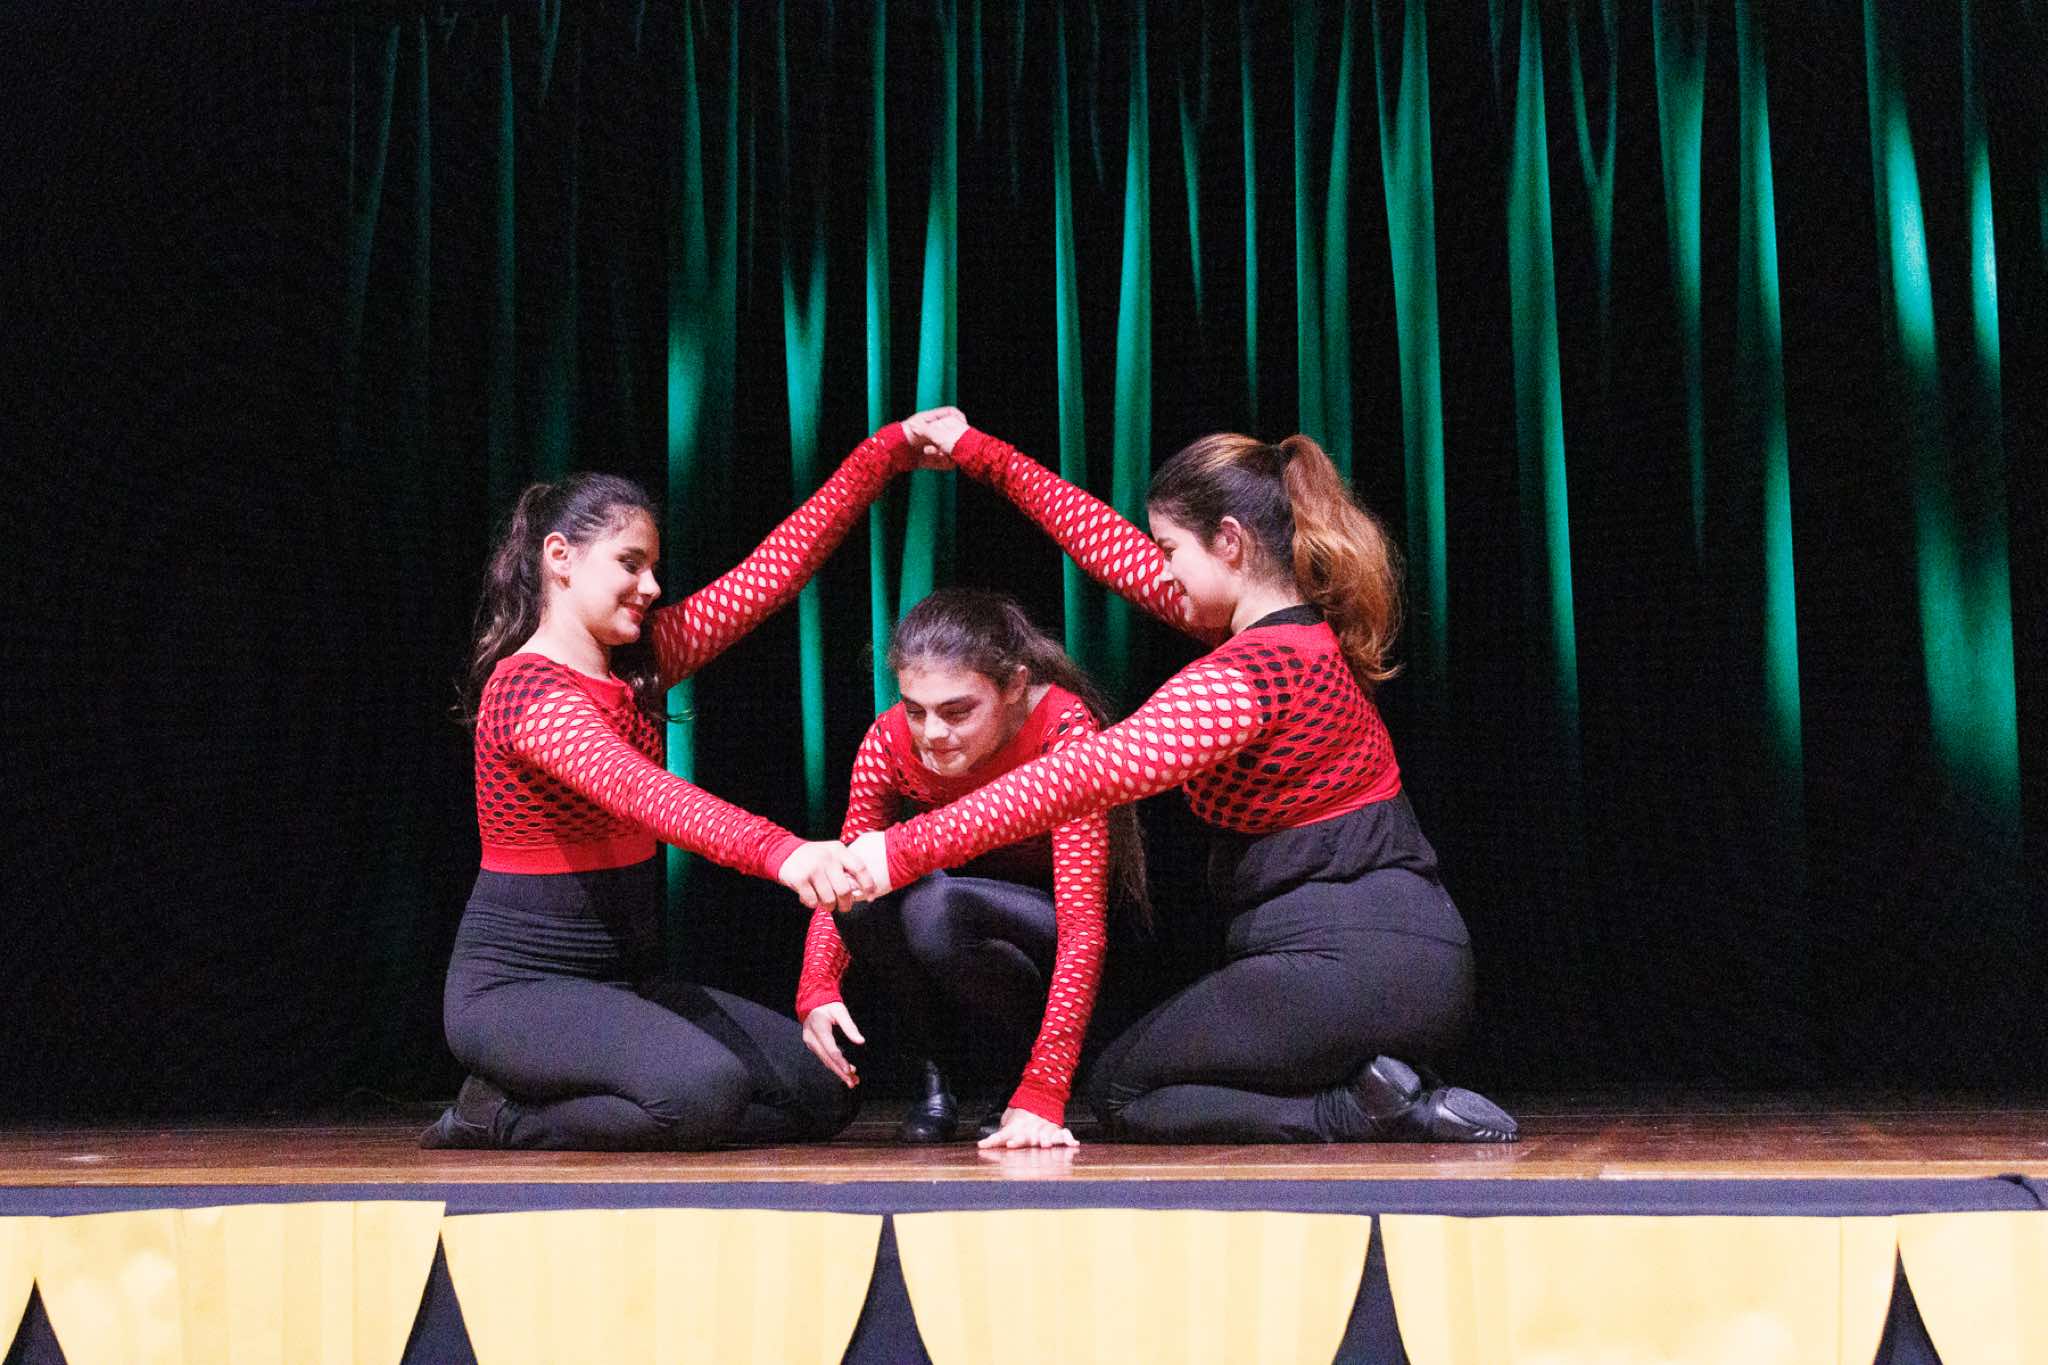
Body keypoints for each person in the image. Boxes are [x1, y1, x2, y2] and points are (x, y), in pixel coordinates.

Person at [846, 410, 1517, 1144]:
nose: (1158, 567)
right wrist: (981, 452)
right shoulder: (1295, 627)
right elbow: (1107, 547)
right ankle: (1375, 1090)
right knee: (1147, 1078)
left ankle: (1362, 1110)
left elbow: (1082, 776)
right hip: (1400, 956)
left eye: (1170, 548)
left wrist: (899, 850)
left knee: (1122, 1089)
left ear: (1230, 541)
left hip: (1355, 965)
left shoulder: (1248, 677)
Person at [421, 421, 927, 1150]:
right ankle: (496, 1114)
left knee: (826, 1088)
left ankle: (661, 1090)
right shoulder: (525, 691)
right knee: (703, 1092)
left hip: (623, 983)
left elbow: (772, 576)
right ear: (560, 558)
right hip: (517, 992)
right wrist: (784, 852)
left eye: (655, 567)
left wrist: (883, 454)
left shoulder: (640, 662)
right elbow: (644, 793)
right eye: (630, 564)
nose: (652, 586)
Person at [795, 589, 1148, 1149]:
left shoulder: (1062, 728)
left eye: (957, 711)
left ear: (1014, 686)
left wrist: (1045, 1087)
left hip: (1044, 926)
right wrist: (817, 985)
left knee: (937, 908)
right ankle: (936, 1073)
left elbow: (1082, 928)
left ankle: (1015, 1073)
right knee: (862, 903)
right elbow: (841, 872)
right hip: (947, 918)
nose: (933, 733)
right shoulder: (888, 741)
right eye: (916, 710)